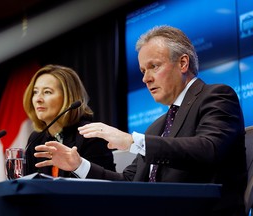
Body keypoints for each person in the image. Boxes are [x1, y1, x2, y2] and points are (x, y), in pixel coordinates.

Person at [33, 26, 247, 215]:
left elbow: (208, 149)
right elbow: (127, 183)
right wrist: (78, 165)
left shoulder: (217, 96)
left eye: (154, 66)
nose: (146, 78)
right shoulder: (157, 126)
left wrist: (132, 141)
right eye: (143, 71)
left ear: (183, 63)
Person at [23, 64, 116, 178]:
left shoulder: (90, 135)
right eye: (35, 92)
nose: (38, 99)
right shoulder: (36, 139)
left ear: (68, 97)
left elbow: (104, 187)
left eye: (47, 92)